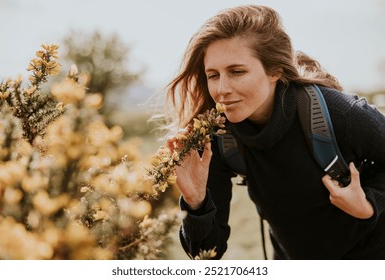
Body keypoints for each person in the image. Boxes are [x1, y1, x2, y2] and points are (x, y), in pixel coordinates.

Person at [164, 5, 385, 259]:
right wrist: (195, 202)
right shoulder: (218, 139)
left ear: (275, 71)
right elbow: (207, 256)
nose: (221, 89)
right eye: (213, 75)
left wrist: (369, 204)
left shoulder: (341, 114)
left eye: (237, 72)